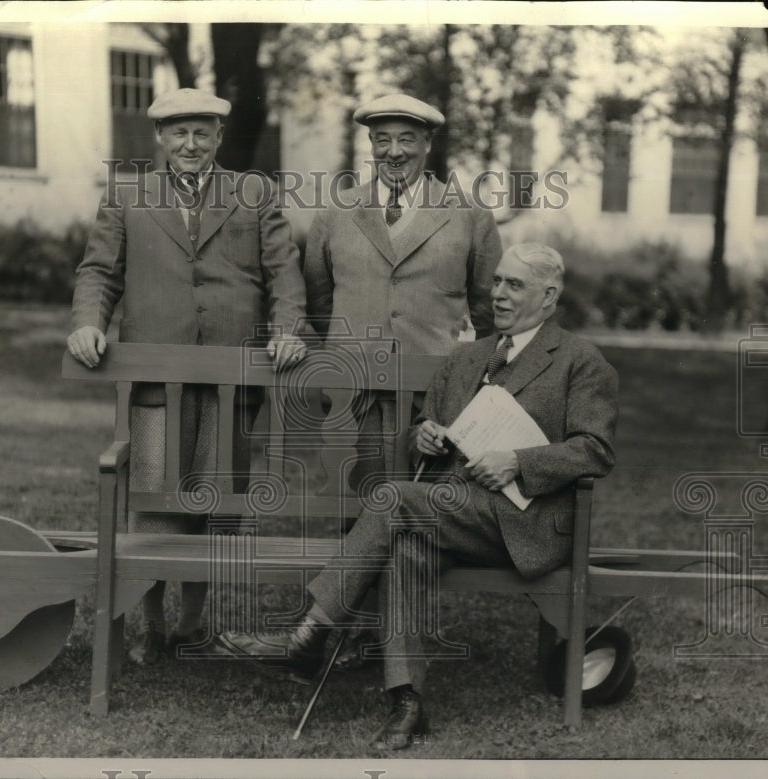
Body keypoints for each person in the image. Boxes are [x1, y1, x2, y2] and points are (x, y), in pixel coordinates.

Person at [214, 243, 618, 750]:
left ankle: (310, 634)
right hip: (448, 513)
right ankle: (408, 703)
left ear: (549, 295)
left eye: (514, 285)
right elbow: (421, 429)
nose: (498, 294)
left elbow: (595, 450)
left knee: (395, 499)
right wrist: (422, 434)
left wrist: (519, 461)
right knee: (405, 549)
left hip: (522, 521)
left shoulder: (581, 362)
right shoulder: (467, 358)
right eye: (496, 282)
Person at [68, 88, 307, 662]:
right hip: (155, 377)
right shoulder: (128, 195)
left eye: (202, 133)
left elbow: (284, 272)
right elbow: (99, 270)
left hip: (232, 376)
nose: (191, 144)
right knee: (154, 499)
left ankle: (193, 622)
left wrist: (289, 328)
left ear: (219, 137)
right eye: (179, 133)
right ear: (160, 138)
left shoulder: (254, 193)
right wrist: (86, 324)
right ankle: (151, 618)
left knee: (214, 501)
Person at [300, 93, 502, 669]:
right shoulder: (336, 213)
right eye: (382, 140)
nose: (393, 152)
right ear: (369, 146)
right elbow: (318, 300)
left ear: (427, 146)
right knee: (357, 501)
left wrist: (466, 377)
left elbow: (490, 313)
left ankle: (391, 640)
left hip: (432, 398)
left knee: (414, 510)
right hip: (354, 392)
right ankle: (351, 631)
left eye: (406, 140)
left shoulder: (467, 215)